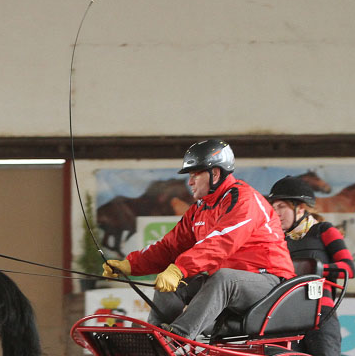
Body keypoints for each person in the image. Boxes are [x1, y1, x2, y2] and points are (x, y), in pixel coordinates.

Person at [102, 139, 295, 340]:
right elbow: (169, 246)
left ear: (216, 174)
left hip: (271, 282)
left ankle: (178, 337)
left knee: (223, 278)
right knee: (176, 283)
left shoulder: (245, 200)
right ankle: (155, 337)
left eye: (195, 174)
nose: (190, 182)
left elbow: (221, 242)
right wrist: (130, 266)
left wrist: (179, 269)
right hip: (230, 280)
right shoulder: (199, 210)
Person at [267, 175, 355, 356]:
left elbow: (348, 268)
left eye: (281, 207)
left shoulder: (323, 230)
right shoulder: (275, 241)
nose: (276, 213)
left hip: (321, 313)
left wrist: (311, 269)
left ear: (300, 208)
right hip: (285, 316)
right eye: (273, 208)